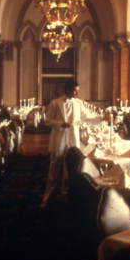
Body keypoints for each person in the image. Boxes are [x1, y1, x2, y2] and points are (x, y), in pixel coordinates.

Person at [42, 79, 92, 207]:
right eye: (75, 91)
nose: (76, 93)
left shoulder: (79, 103)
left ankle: (66, 195)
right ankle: (47, 197)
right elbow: (47, 121)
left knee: (71, 169)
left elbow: (88, 117)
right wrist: (60, 124)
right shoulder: (55, 103)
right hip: (59, 139)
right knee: (54, 169)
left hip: (73, 140)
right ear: (68, 89)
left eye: (77, 91)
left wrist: (103, 118)